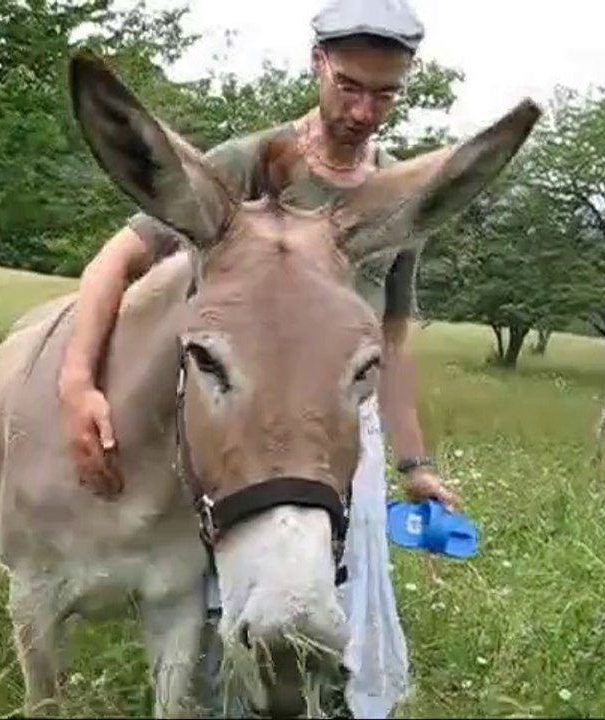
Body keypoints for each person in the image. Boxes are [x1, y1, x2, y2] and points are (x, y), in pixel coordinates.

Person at [57, 0, 461, 714]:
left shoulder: (397, 192)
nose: (366, 111)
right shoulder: (249, 162)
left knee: (346, 593)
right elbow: (113, 263)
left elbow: (390, 346)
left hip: (338, 426)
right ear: (317, 64)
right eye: (350, 86)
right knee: (218, 599)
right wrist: (77, 383)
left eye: (387, 93)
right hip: (238, 420)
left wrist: (414, 464)